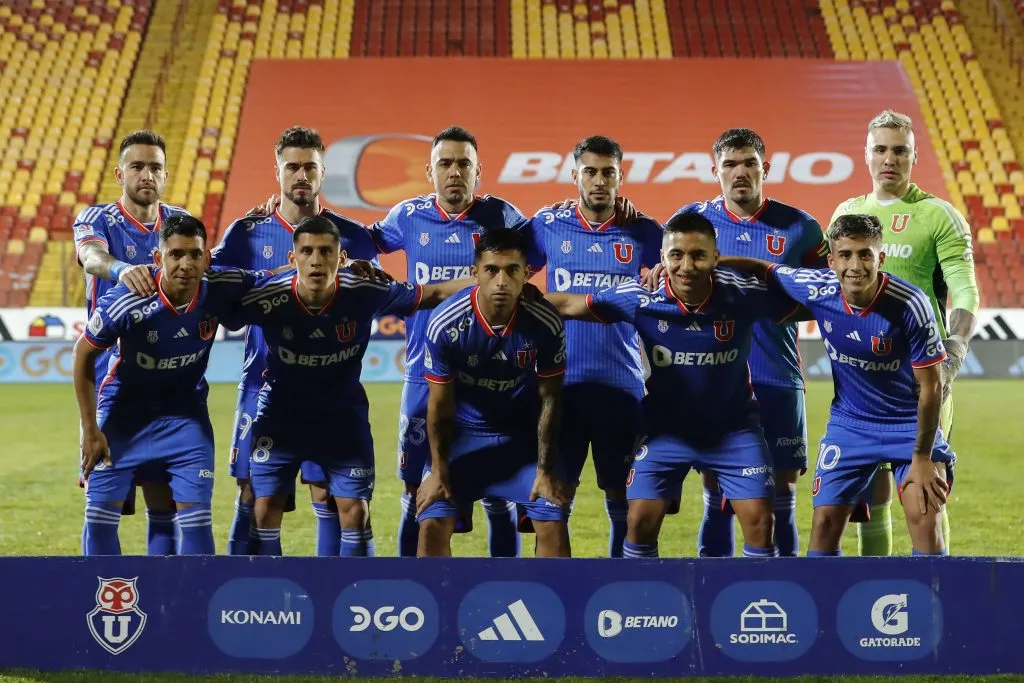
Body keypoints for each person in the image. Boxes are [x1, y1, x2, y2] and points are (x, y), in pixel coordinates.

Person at [546, 213, 802, 559]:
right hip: (666, 432)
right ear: (662, 258)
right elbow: (568, 304)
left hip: (734, 430)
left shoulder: (742, 294)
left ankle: (748, 605)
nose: (686, 266)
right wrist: (496, 302)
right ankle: (645, 606)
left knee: (760, 522)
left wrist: (750, 265)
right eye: (676, 255)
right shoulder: (640, 296)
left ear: (715, 257)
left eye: (698, 255)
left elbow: (816, 301)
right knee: (639, 521)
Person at [228, 215, 471, 556]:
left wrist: (486, 280)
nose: (316, 260)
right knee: (264, 508)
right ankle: (269, 599)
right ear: (292, 258)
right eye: (307, 251)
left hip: (342, 417)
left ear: (342, 259)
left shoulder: (365, 291)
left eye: (326, 251)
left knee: (355, 513)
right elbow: (219, 302)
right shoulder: (267, 295)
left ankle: (354, 598)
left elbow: (434, 293)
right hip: (280, 415)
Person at [721, 213, 954, 556]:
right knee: (825, 524)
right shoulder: (818, 287)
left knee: (924, 517)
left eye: (865, 254)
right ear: (831, 261)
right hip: (850, 424)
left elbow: (932, 388)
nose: (855, 265)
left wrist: (921, 457)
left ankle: (935, 606)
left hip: (907, 424)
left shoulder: (910, 304)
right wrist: (710, 265)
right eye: (845, 255)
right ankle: (825, 607)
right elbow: (765, 269)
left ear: (881, 258)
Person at [211, 126, 381, 557]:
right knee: (252, 491)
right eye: (292, 166)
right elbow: (211, 285)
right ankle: (240, 591)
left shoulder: (352, 236)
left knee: (326, 492)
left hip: (329, 389)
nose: (301, 175)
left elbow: (365, 297)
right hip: (262, 383)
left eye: (310, 166)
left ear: (324, 171)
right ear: (277, 171)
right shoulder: (246, 232)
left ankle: (331, 595)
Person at [369, 126, 537, 557]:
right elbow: (360, 242)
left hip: (490, 376)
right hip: (425, 375)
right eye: (445, 163)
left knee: (499, 493)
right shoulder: (408, 216)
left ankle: (506, 584)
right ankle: (412, 584)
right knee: (416, 487)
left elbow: (539, 254)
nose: (455, 172)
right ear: (430, 171)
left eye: (464, 164)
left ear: (479, 171)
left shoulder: (504, 217)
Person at [662, 128, 828, 557]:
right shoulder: (694, 222)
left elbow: (825, 295)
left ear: (765, 168)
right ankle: (711, 596)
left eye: (749, 163)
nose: (740, 173)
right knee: (718, 495)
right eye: (730, 164)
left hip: (777, 374)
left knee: (782, 496)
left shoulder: (802, 229)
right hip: (714, 382)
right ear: (714, 170)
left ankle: (787, 591)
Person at [830, 110, 979, 555]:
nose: (889, 159)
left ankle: (938, 591)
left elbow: (966, 293)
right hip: (860, 380)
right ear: (866, 155)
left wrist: (952, 353)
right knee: (869, 501)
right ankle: (875, 595)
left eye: (899, 150)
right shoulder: (848, 211)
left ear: (914, 156)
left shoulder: (938, 216)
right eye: (880, 149)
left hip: (919, 379)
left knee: (924, 494)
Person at [73, 215, 262, 555]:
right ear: (159, 258)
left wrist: (345, 269)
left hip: (185, 417)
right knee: (99, 519)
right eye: (176, 255)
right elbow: (83, 353)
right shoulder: (128, 299)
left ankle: (186, 605)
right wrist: (89, 429)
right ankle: (103, 605)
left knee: (196, 523)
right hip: (122, 416)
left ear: (207, 258)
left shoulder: (222, 285)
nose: (186, 264)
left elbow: (273, 278)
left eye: (194, 254)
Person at [527, 135, 662, 557]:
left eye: (608, 172)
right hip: (558, 387)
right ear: (574, 176)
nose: (599, 181)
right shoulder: (546, 225)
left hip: (621, 387)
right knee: (553, 499)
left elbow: (673, 281)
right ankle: (558, 595)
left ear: (621, 177)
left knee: (623, 502)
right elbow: (509, 274)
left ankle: (620, 593)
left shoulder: (645, 232)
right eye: (590, 171)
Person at [415, 229, 571, 557]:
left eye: (512, 270)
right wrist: (438, 472)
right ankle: (435, 606)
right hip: (462, 440)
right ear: (475, 274)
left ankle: (555, 607)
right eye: (491, 270)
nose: (501, 281)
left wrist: (545, 470)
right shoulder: (445, 324)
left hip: (520, 439)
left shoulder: (545, 323)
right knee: (432, 524)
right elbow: (440, 407)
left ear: (526, 274)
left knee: (552, 518)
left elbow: (550, 399)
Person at [72, 130, 188, 555]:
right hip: (110, 386)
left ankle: (165, 608)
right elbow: (91, 256)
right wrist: (120, 269)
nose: (146, 174)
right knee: (103, 504)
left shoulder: (178, 224)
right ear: (120, 173)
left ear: (166, 174)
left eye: (155, 167)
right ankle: (103, 606)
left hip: (167, 385)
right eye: (137, 166)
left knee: (165, 503)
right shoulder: (97, 219)